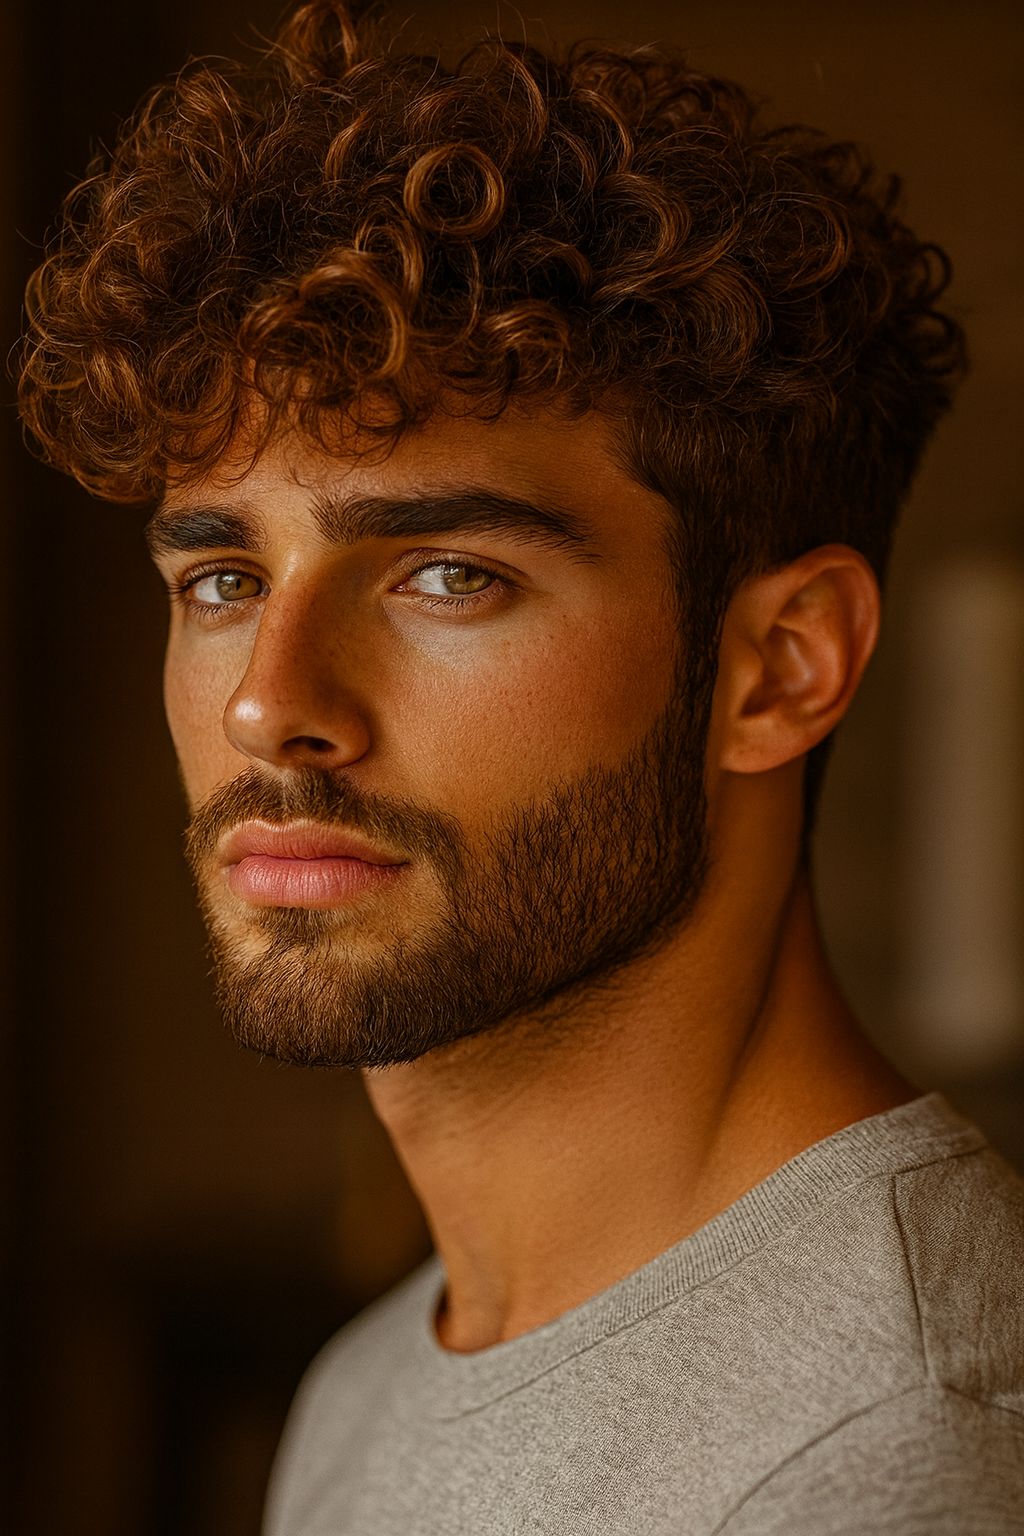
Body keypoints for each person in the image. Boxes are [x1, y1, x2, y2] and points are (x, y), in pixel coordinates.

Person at [17, 1, 1024, 1531]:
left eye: (448, 576)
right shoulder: (375, 1375)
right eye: (223, 580)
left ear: (781, 667)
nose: (270, 706)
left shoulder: (892, 1461)